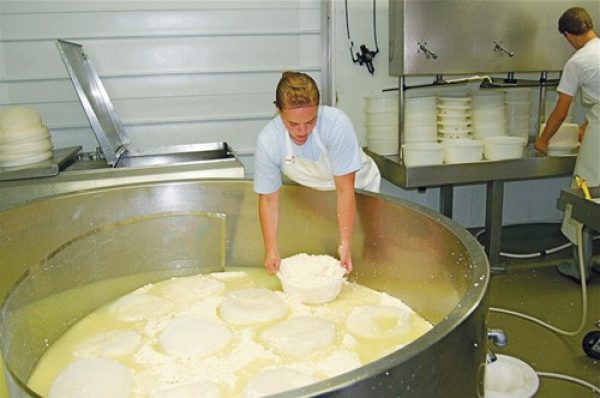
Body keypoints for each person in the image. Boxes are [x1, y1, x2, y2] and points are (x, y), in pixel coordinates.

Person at [253, 71, 381, 274]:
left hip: (359, 190)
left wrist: (346, 242)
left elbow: (344, 189)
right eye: (293, 124)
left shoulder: (336, 125)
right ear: (279, 111)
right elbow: (268, 199)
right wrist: (271, 248)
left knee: (369, 251)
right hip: (318, 195)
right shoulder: (269, 141)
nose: (302, 131)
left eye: (310, 121)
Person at [535, 7, 600, 281]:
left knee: (583, 193)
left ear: (568, 35)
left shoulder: (578, 61)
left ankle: (580, 268)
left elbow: (561, 111)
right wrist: (587, 124)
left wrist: (543, 140)